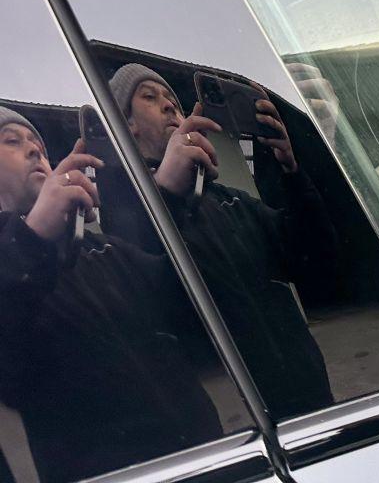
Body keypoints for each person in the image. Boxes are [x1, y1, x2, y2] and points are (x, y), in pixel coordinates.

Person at [0, 105, 224, 483]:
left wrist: (168, 196)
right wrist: (32, 240)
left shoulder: (103, 249)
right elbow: (10, 376)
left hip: (212, 460)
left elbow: (199, 307)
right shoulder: (15, 265)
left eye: (38, 143)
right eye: (11, 141)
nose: (36, 149)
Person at [108, 63, 336, 418]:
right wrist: (165, 194)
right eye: (149, 97)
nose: (169, 106)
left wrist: (292, 169)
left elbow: (316, 259)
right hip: (236, 420)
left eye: (174, 101)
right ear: (127, 125)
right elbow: (154, 305)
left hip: (310, 397)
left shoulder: (230, 200)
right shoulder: (124, 214)